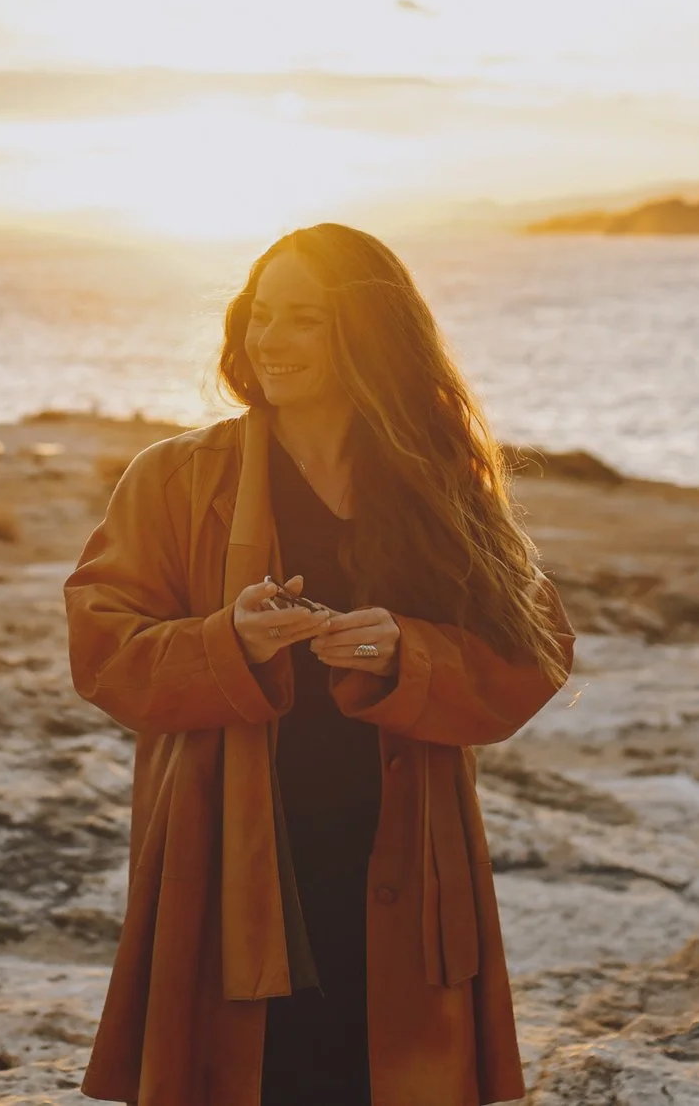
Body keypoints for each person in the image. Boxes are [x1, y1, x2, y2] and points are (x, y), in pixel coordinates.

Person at [65, 223, 574, 1106]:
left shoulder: (437, 480)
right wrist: (230, 641)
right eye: (262, 315)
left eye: (303, 319)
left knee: (376, 1070)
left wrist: (406, 651)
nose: (270, 340)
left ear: (367, 334)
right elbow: (103, 648)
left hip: (402, 840)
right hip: (229, 849)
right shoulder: (174, 477)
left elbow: (532, 650)